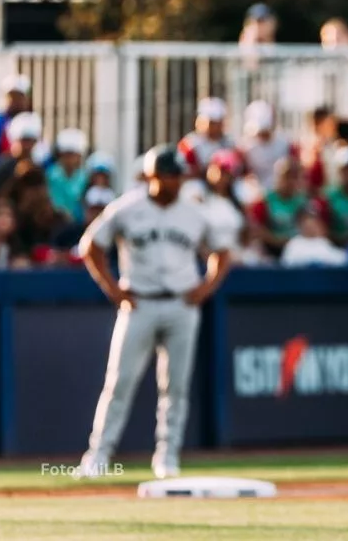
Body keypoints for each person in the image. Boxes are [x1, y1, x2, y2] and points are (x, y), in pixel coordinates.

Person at [73, 146, 234, 480]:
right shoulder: (128, 207)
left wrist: (206, 288)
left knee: (175, 386)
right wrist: (113, 289)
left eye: (178, 175)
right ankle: (99, 455)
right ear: (151, 175)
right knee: (119, 382)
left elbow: (222, 251)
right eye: (168, 175)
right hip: (140, 302)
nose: (174, 181)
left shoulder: (193, 211)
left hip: (181, 302)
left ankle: (167, 456)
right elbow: (91, 246)